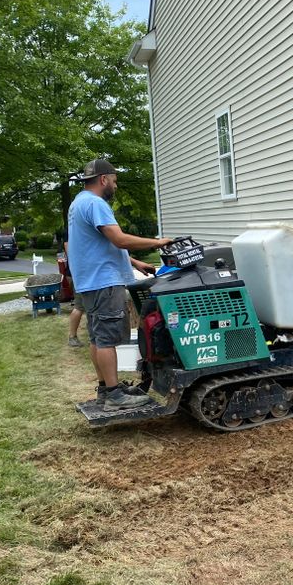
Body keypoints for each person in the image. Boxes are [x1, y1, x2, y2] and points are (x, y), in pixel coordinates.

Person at [67, 158, 172, 411]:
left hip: (90, 282)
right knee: (107, 340)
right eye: (114, 181)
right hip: (104, 281)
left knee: (97, 337)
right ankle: (114, 396)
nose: (115, 186)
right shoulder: (96, 203)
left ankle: (106, 388)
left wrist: (135, 263)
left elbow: (101, 244)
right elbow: (118, 239)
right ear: (103, 179)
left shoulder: (78, 203)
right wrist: (157, 243)